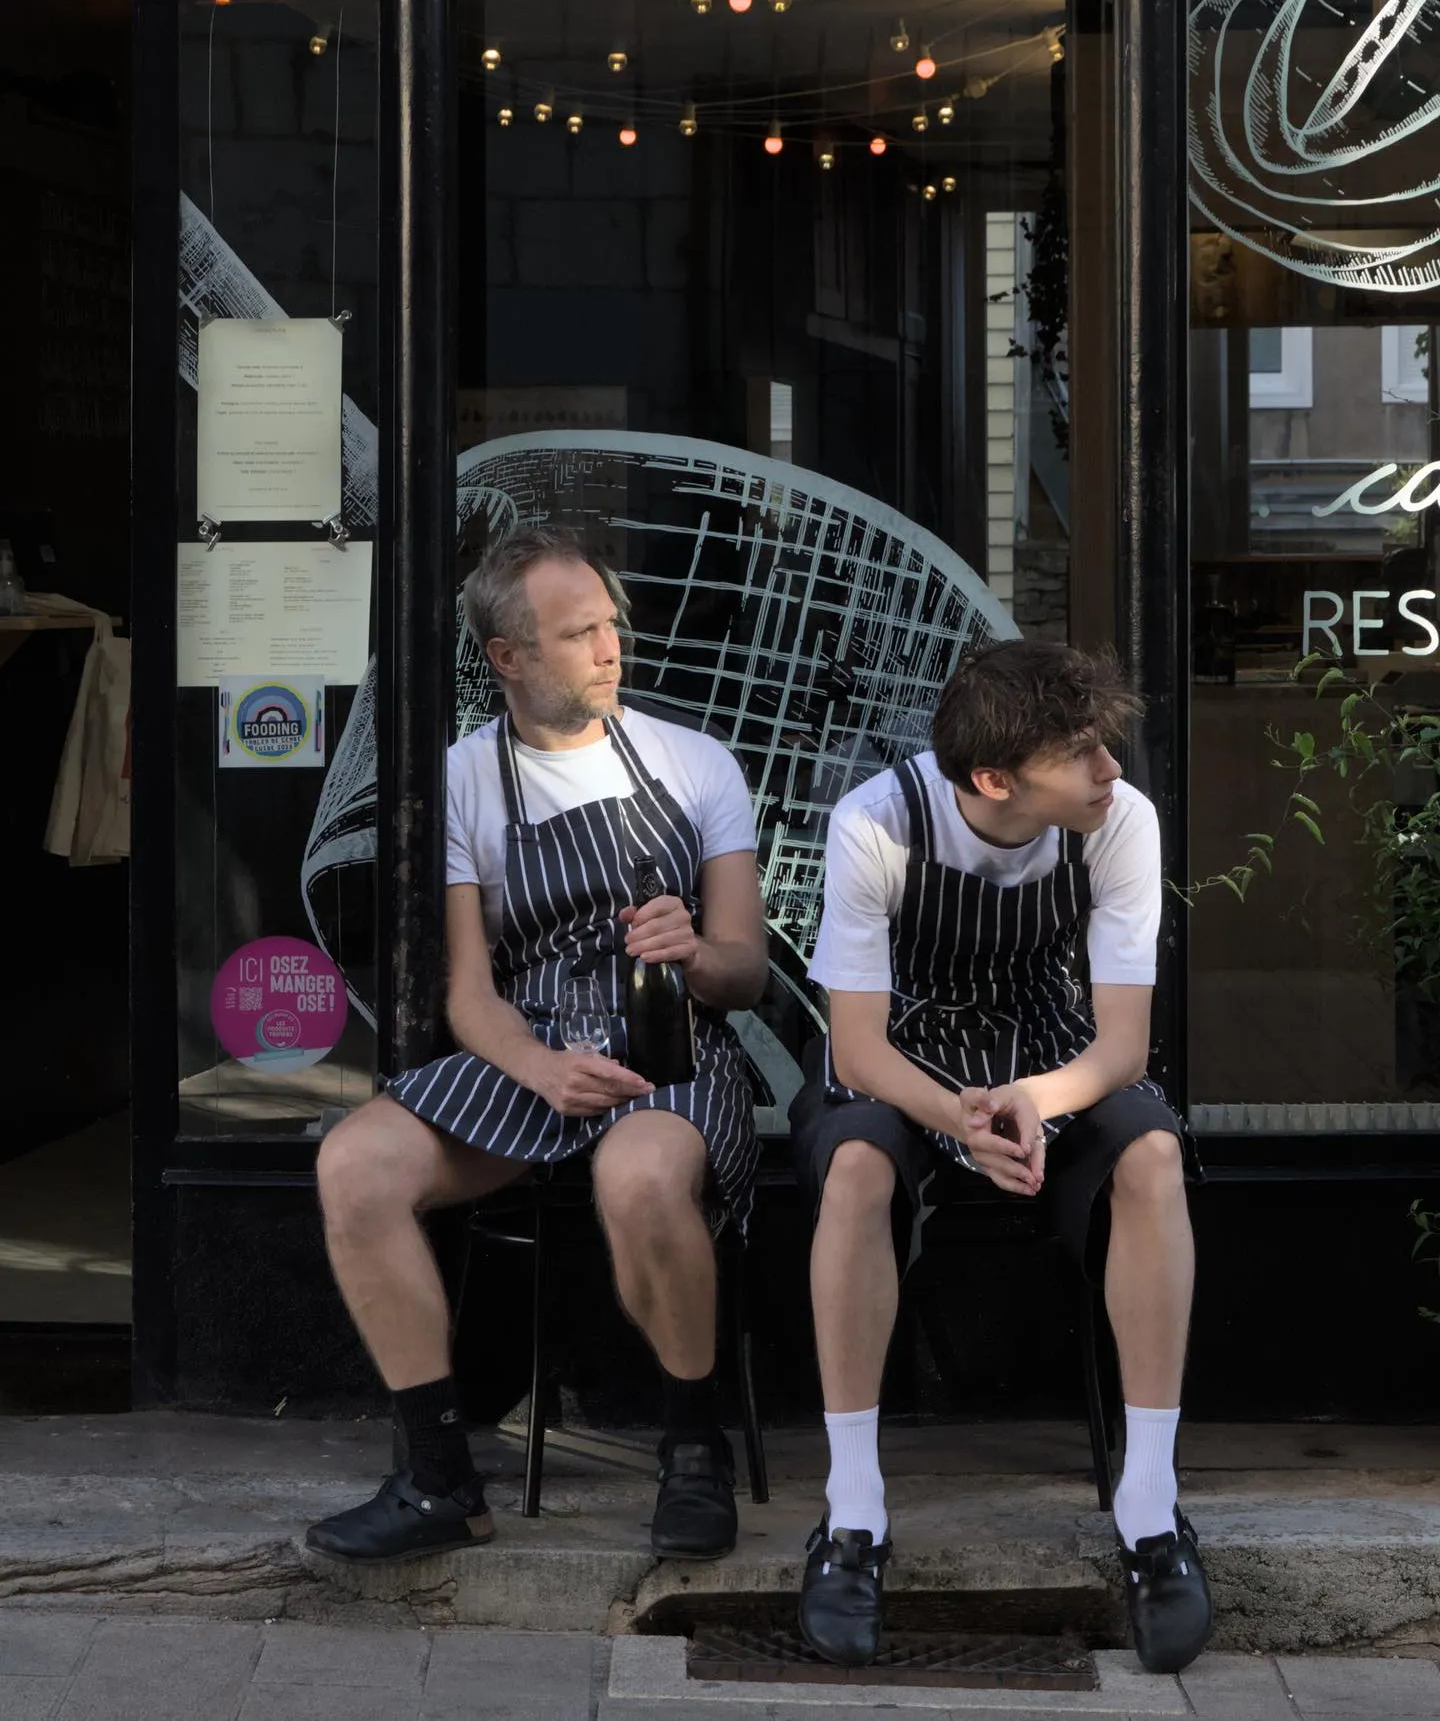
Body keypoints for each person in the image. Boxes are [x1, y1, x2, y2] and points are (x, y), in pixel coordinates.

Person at [305, 526, 768, 1567]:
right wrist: (540, 1068)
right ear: (508, 658)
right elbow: (469, 994)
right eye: (578, 633)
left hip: (671, 1053)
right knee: (356, 1163)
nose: (611, 649)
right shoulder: (462, 778)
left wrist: (696, 954)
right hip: (536, 1045)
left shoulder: (695, 765)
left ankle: (692, 1447)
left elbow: (748, 973)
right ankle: (438, 1477)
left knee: (644, 1177)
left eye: (611, 625)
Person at [789, 638, 1211, 1674]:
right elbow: (853, 1046)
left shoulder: (1122, 823)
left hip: (1051, 1052)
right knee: (853, 1170)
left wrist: (1032, 1099)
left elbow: (1121, 1046)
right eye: (1084, 754)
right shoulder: (874, 822)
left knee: (1152, 1152)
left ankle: (1151, 1509)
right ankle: (853, 1515)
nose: (1112, 770)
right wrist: (959, 1119)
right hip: (904, 1056)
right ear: (994, 780)